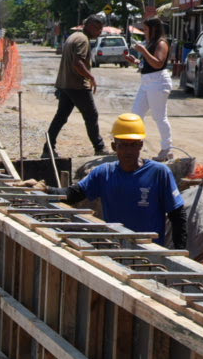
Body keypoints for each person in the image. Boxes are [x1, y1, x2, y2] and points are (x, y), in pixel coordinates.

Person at [64, 113, 188, 248]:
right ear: (113, 146)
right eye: (123, 145)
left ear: (141, 145)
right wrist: (46, 190)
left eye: (133, 144)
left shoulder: (159, 173)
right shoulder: (104, 173)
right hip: (115, 251)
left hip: (150, 255)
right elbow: (73, 194)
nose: (128, 150)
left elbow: (177, 215)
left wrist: (179, 253)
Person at [46, 13, 106, 157]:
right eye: (98, 29)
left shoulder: (73, 36)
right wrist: (90, 77)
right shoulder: (83, 40)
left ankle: (47, 148)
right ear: (91, 26)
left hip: (65, 85)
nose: (100, 33)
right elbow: (77, 63)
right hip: (77, 86)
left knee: (60, 117)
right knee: (91, 115)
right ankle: (99, 147)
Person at [127, 17, 174, 161]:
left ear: (154, 29)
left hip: (158, 81)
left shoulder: (161, 43)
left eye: (146, 29)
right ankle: (133, 145)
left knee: (159, 117)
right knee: (136, 114)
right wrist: (135, 61)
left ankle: (167, 149)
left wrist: (143, 51)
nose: (144, 32)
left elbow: (158, 64)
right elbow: (146, 64)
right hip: (147, 82)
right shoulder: (151, 43)